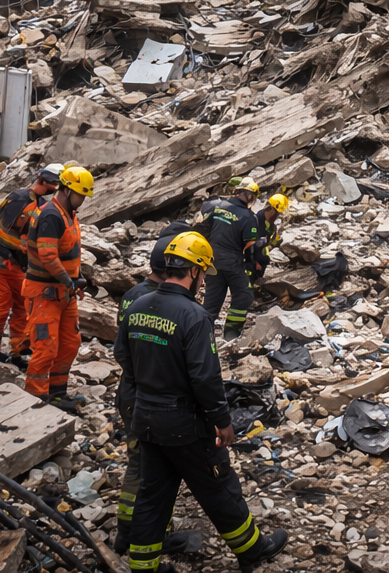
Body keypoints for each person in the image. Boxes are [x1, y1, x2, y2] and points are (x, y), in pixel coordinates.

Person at [115, 231, 288, 573]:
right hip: (184, 424)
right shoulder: (194, 317)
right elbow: (205, 378)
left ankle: (143, 566)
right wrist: (222, 421)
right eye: (203, 274)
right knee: (219, 486)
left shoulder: (136, 306)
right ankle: (253, 550)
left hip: (146, 420)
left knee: (152, 495)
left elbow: (124, 358)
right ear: (194, 271)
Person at [113, 226, 195, 558]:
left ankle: (131, 530)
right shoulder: (156, 301)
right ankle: (137, 535)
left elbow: (122, 351)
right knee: (148, 470)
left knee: (141, 465)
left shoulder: (133, 295)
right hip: (148, 399)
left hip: (131, 392)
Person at [23, 165, 94, 410]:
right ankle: (36, 400)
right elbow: (48, 256)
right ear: (65, 189)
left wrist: (78, 277)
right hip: (44, 294)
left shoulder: (68, 213)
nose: (82, 201)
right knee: (45, 347)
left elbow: (68, 252)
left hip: (65, 293)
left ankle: (57, 394)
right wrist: (69, 281)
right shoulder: (51, 215)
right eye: (80, 195)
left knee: (69, 343)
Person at [0, 162, 64, 363]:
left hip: (18, 266)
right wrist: (25, 246)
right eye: (56, 184)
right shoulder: (20, 199)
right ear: (46, 181)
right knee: (1, 307)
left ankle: (19, 351)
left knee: (21, 307)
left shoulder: (41, 204)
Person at [200, 179, 265, 340]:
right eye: (252, 196)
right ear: (248, 195)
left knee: (212, 301)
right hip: (232, 263)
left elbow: (204, 227)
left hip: (212, 262)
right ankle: (231, 334)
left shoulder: (218, 206)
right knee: (244, 295)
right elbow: (250, 246)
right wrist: (252, 265)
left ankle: (201, 336)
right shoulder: (248, 217)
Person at [245, 194, 288, 283]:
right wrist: (254, 262)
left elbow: (265, 245)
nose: (278, 216)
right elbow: (249, 245)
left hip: (260, 263)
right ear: (272, 209)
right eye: (277, 213)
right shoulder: (256, 221)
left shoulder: (270, 225)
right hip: (250, 263)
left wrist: (273, 244)